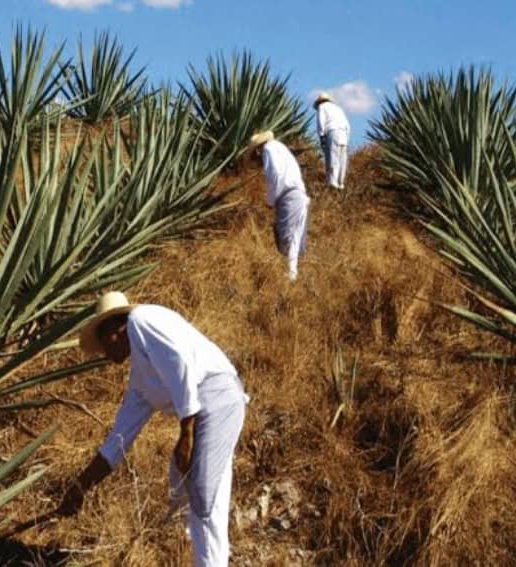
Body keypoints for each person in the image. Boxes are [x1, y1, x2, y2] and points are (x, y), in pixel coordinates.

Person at [60, 291, 249, 567]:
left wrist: (186, 433)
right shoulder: (140, 382)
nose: (103, 355)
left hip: (218, 398)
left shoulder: (140, 321)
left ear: (116, 330)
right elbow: (118, 441)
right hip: (205, 410)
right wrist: (80, 487)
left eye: (103, 345)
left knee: (204, 493)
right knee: (193, 491)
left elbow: (179, 363)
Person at [249, 131, 310, 281]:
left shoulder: (269, 149)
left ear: (258, 149)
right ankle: (292, 274)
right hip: (298, 195)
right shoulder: (280, 148)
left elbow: (275, 176)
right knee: (294, 236)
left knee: (288, 238)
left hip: (289, 196)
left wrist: (270, 200)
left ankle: (291, 276)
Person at [314, 92, 350, 189]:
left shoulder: (322, 107)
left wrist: (321, 136)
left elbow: (321, 122)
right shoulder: (338, 109)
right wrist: (347, 137)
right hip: (343, 133)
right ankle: (341, 183)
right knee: (342, 158)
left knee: (332, 157)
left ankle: (332, 183)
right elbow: (347, 125)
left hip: (332, 132)